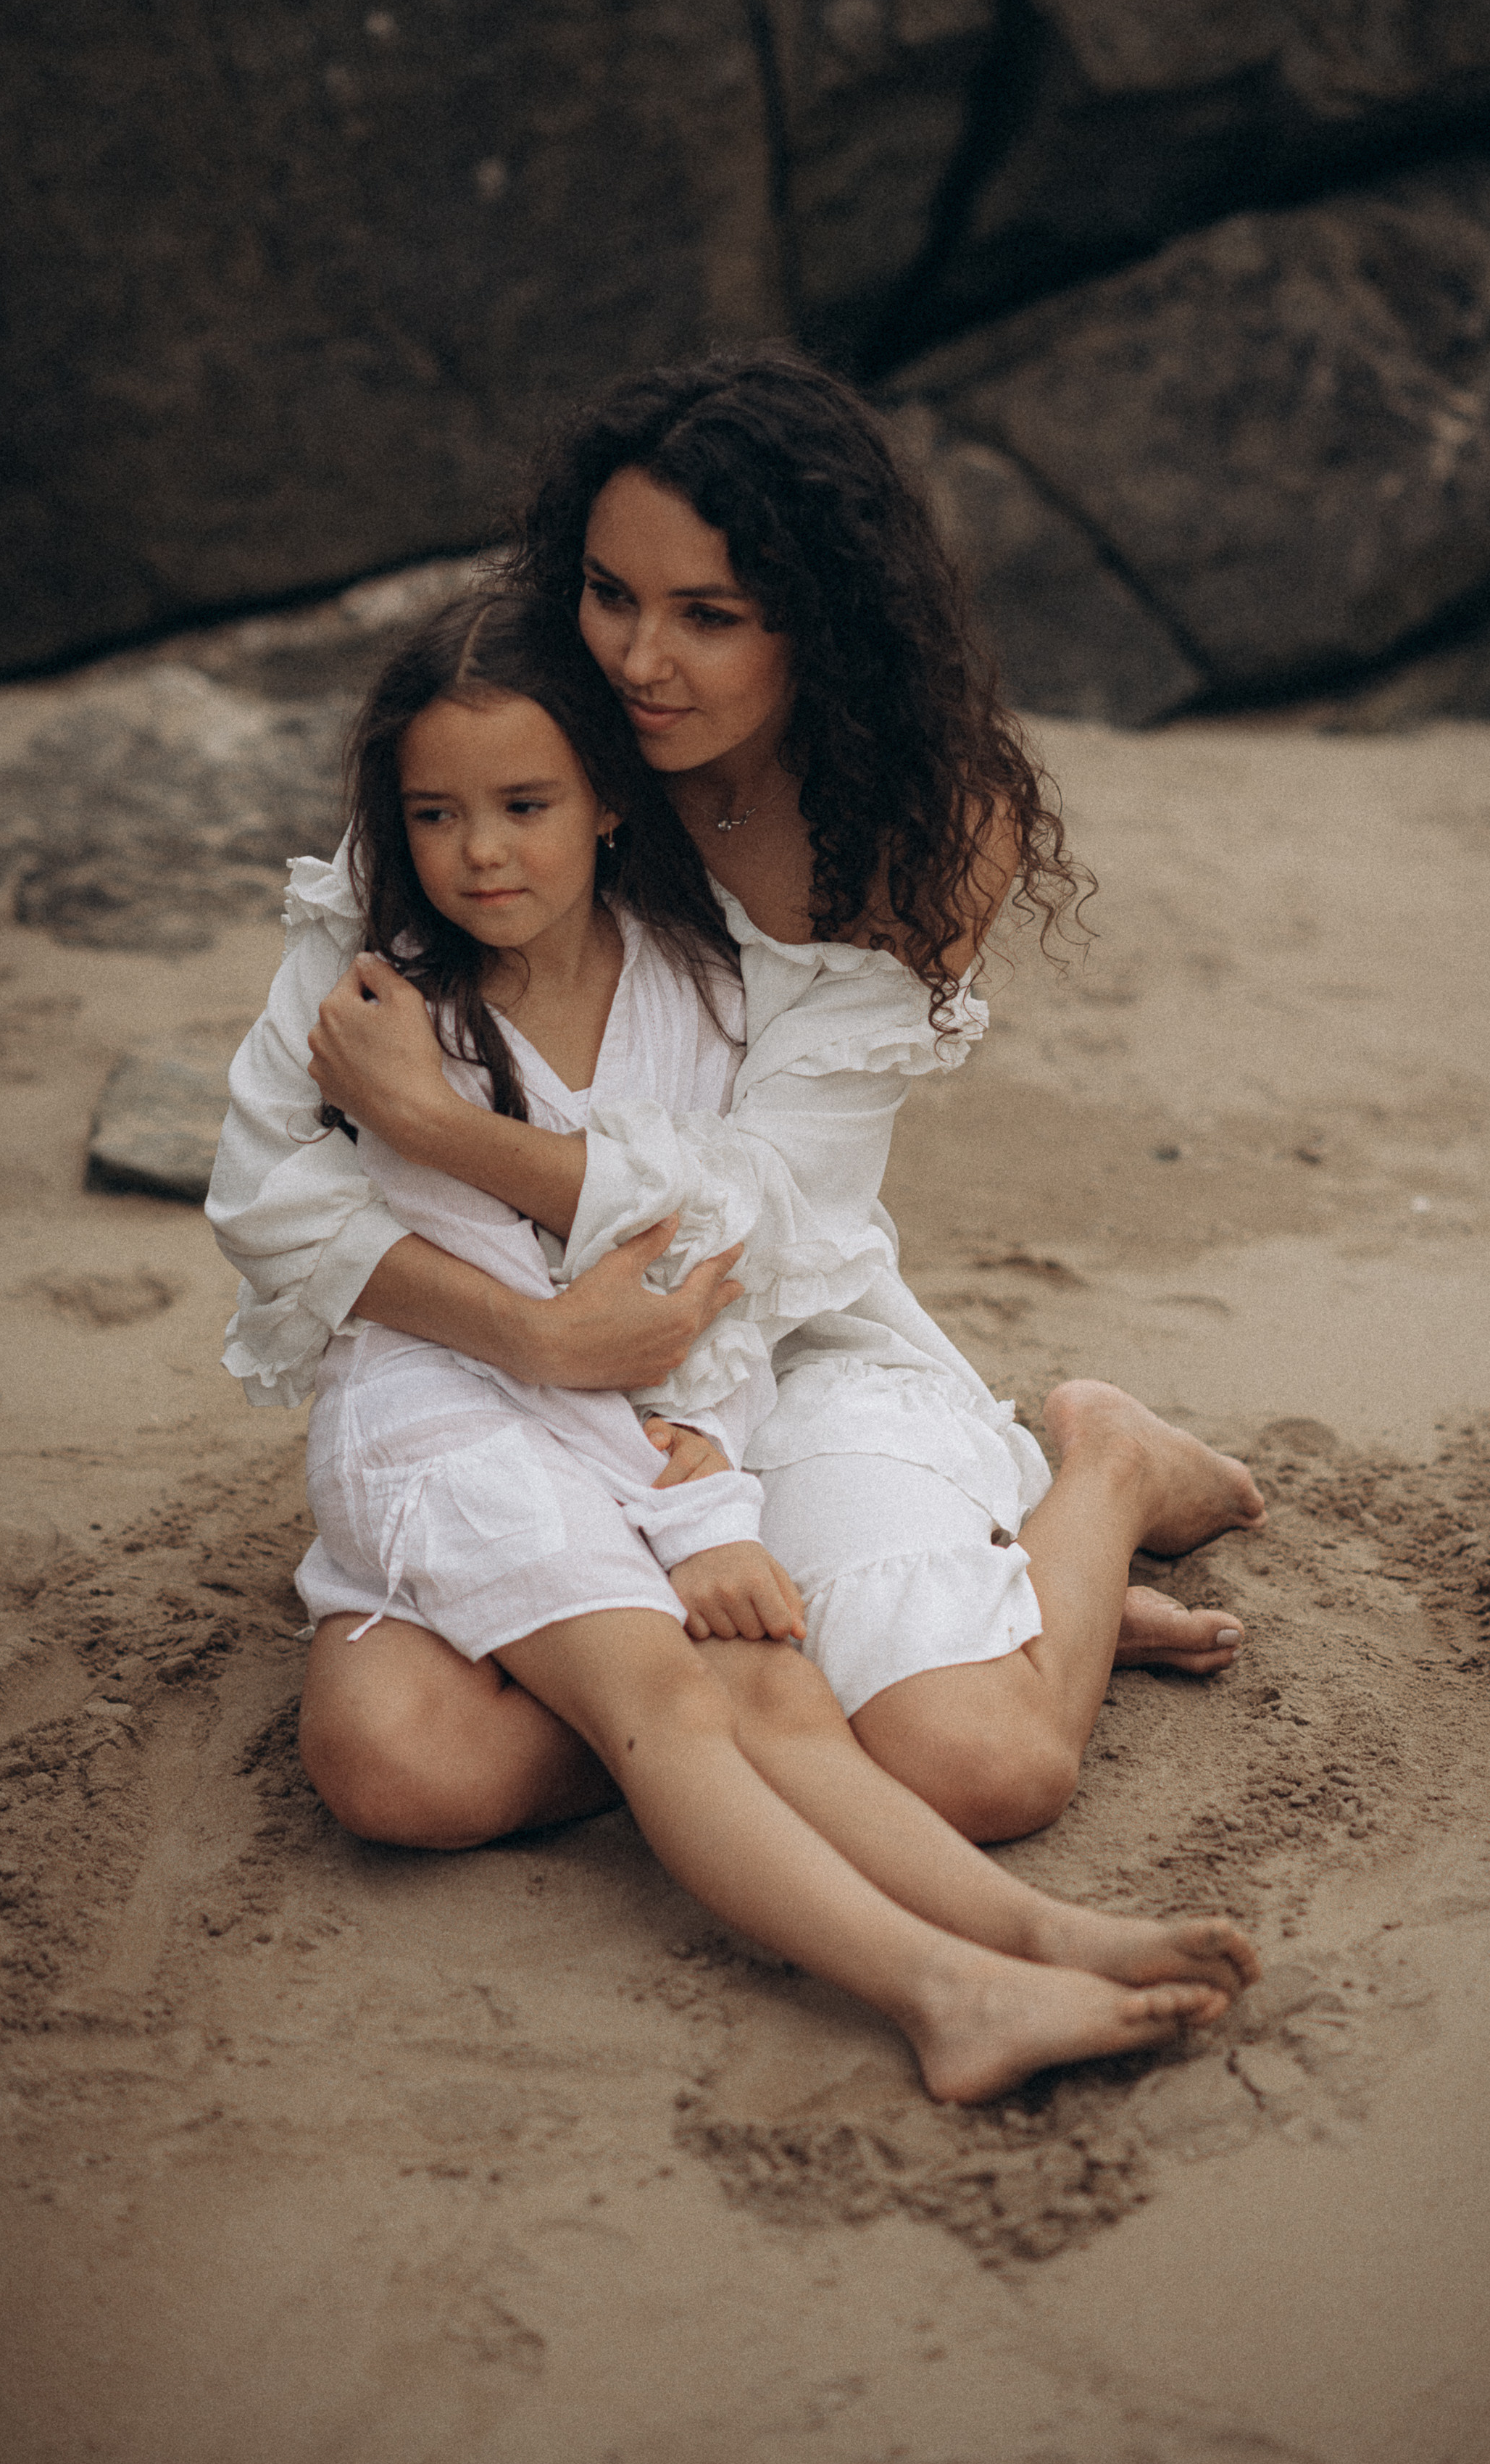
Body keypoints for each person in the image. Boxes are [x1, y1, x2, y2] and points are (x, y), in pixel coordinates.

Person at [209, 346, 1265, 1852]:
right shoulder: (511, 759)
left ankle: (1103, 1464)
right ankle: (828, 1667)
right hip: (496, 1367)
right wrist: (539, 1335)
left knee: (985, 1768)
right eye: (609, 592)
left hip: (776, 1331)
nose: (638, 658)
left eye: (709, 615)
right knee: (404, 1771)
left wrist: (448, 1132)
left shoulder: (921, 830)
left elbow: (770, 1211)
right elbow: (273, 1175)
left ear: (819, 621)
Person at [241, 584, 1259, 2104]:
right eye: (437, 814)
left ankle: (1044, 1926)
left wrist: (708, 1480)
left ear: (604, 800)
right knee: (666, 1697)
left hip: (640, 1421)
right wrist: (677, 1502)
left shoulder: (697, 988)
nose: (482, 851)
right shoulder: (394, 998)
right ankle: (946, 1989)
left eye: (525, 804)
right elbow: (360, 1254)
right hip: (450, 1425)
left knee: (773, 1686)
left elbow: (707, 1288)